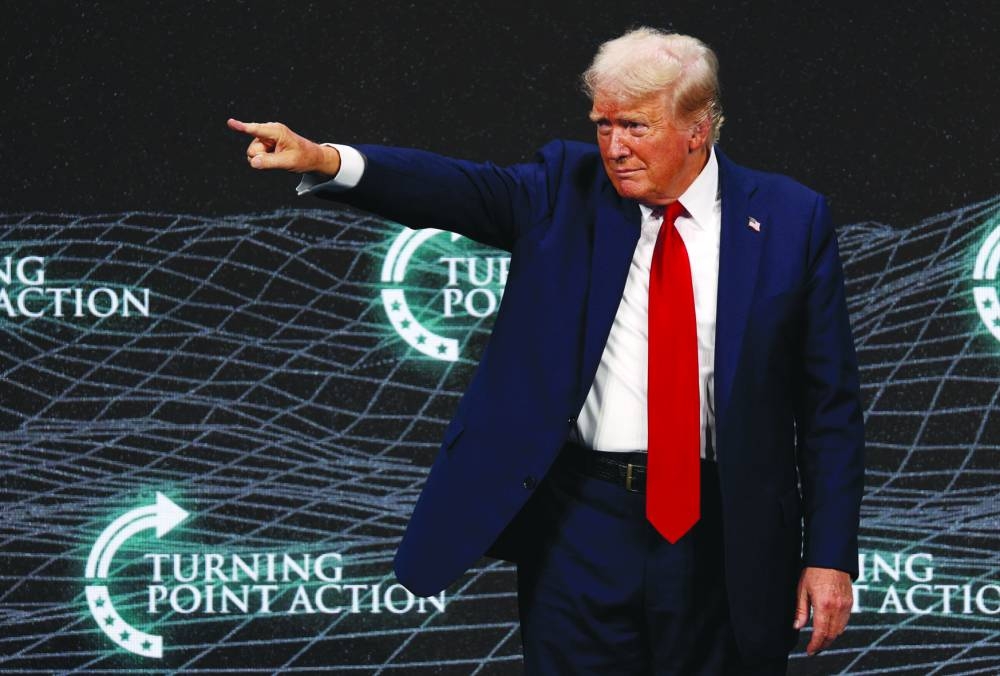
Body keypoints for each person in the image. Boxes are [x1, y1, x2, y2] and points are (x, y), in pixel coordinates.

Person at [229, 27, 864, 675]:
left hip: (726, 528)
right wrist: (327, 160)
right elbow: (453, 188)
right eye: (603, 124)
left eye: (636, 127)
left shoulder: (790, 217)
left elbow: (828, 407)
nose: (614, 147)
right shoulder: (563, 186)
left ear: (698, 128)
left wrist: (832, 554)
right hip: (582, 523)